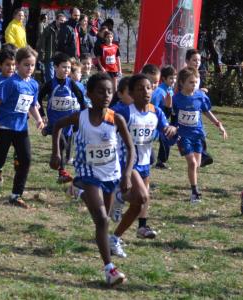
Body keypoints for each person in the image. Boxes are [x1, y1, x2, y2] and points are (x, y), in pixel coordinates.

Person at [50, 73, 134, 286]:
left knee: (102, 222)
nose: (106, 95)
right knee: (103, 220)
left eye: (109, 91)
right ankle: (110, 269)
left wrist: (126, 174)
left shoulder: (116, 118)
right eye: (100, 91)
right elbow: (57, 126)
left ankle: (77, 190)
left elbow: (131, 148)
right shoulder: (81, 117)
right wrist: (56, 154)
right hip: (88, 173)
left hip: (111, 175)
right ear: (89, 94)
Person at [112, 74, 177, 240]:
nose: (146, 92)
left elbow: (167, 135)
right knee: (142, 196)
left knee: (140, 199)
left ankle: (128, 232)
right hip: (126, 161)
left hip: (144, 161)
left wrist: (171, 130)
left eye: (148, 88)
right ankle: (119, 196)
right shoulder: (124, 112)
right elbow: (105, 126)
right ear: (132, 94)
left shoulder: (156, 112)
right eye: (140, 89)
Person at [0, 46, 44, 208]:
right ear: (17, 64)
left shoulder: (34, 85)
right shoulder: (10, 83)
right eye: (26, 65)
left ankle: (16, 195)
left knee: (26, 159)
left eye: (32, 65)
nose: (29, 68)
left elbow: (31, 104)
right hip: (4, 126)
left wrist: (38, 119)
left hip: (21, 128)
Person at [173, 67, 227, 203]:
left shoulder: (200, 96)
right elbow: (171, 115)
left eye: (196, 82)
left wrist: (218, 124)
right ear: (182, 83)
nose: (194, 85)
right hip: (183, 136)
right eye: (191, 82)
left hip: (198, 135)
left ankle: (194, 187)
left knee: (196, 165)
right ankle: (194, 192)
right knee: (191, 163)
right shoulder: (176, 99)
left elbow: (207, 111)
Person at [38, 53, 84, 183]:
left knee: (65, 146)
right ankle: (62, 172)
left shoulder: (71, 83)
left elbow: (81, 97)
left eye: (69, 68)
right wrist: (42, 114)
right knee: (62, 143)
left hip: (68, 122)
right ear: (55, 67)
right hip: (55, 122)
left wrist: (85, 113)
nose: (67, 70)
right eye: (64, 67)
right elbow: (39, 98)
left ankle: (60, 173)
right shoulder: (50, 84)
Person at [185, 48, 214, 168]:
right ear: (187, 61)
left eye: (199, 60)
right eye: (194, 60)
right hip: (185, 108)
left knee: (200, 133)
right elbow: (183, 90)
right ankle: (200, 156)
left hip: (195, 110)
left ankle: (201, 156)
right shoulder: (185, 74)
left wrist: (199, 92)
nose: (197, 62)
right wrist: (199, 91)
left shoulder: (198, 74)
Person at [152, 65, 177, 169]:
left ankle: (160, 161)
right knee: (166, 137)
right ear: (164, 78)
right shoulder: (159, 91)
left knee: (167, 137)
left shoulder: (169, 89)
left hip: (165, 118)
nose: (173, 80)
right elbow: (154, 106)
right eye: (171, 78)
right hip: (157, 120)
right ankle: (160, 161)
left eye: (175, 78)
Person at [37, 12, 66, 82]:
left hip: (59, 57)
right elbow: (42, 42)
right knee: (50, 77)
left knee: (58, 76)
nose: (62, 22)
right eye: (61, 20)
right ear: (56, 20)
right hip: (50, 56)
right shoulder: (49, 29)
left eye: (64, 21)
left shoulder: (65, 30)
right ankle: (49, 91)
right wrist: (42, 55)